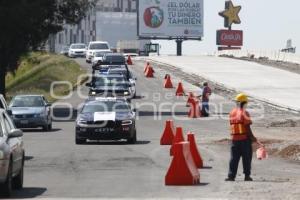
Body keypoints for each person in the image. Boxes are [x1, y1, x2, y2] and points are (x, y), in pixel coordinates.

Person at [225, 93, 262, 182]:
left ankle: (231, 176)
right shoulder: (245, 113)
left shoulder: (232, 112)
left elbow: (233, 125)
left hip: (234, 139)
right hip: (244, 140)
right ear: (244, 103)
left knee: (234, 158)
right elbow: (247, 127)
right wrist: (253, 138)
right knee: (247, 158)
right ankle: (247, 176)